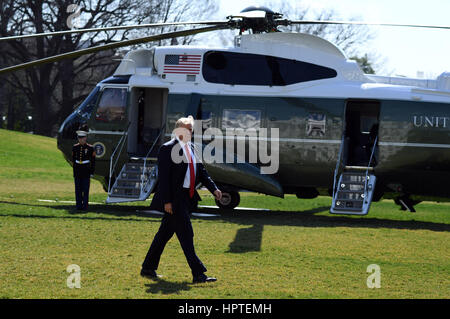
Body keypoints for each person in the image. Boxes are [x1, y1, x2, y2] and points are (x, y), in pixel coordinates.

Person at [141, 116, 222, 284]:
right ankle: (198, 273)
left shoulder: (192, 147)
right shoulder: (167, 148)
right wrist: (167, 201)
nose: (189, 132)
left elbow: (202, 171)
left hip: (187, 198)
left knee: (163, 234)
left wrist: (214, 188)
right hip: (174, 199)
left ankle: (148, 267)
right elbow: (164, 179)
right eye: (186, 129)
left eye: (191, 129)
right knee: (186, 234)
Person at [72, 126, 96, 211]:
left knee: (85, 189)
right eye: (79, 138)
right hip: (78, 170)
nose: (81, 139)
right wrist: (74, 172)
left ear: (85, 138)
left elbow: (93, 161)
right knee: (78, 189)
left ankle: (85, 206)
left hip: (86, 170)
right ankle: (78, 206)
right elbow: (73, 160)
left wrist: (92, 172)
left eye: (82, 138)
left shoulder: (90, 148)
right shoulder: (75, 147)